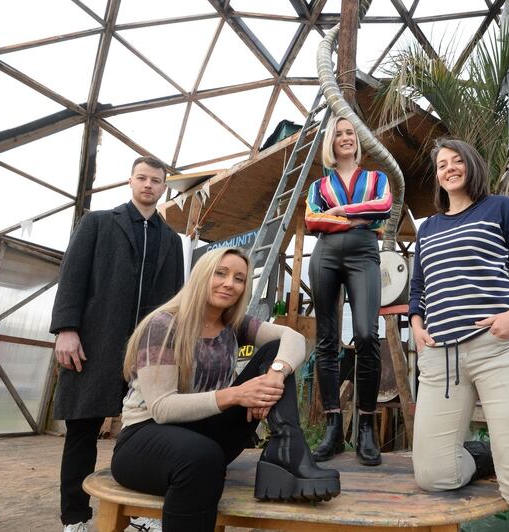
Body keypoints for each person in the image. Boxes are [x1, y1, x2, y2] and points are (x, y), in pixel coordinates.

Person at [110, 247, 340, 532]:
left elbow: (294, 338)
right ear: (201, 275)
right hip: (144, 439)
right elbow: (162, 408)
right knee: (201, 458)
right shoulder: (164, 325)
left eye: (239, 278)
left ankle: (287, 452)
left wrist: (275, 375)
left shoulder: (233, 324)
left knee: (273, 352)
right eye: (220, 273)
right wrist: (237, 395)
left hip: (206, 435)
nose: (230, 283)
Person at [408, 138, 509, 532]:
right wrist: (417, 326)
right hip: (441, 357)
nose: (449, 168)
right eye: (442, 164)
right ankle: (486, 453)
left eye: (457, 161)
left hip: (501, 347)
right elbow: (418, 287)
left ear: (472, 165)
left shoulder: (500, 207)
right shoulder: (428, 227)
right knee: (433, 474)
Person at [50, 156, 184, 532]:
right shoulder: (96, 223)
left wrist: (170, 348)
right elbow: (72, 276)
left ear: (163, 187)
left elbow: (175, 300)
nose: (148, 185)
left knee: (144, 433)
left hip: (147, 351)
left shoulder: (172, 242)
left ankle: (140, 512)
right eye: (142, 178)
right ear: (130, 181)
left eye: (156, 181)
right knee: (82, 431)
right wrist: (66, 328)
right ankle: (75, 517)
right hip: (95, 342)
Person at [304, 116, 392, 466]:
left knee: (367, 334)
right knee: (326, 339)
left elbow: (382, 208)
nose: (345, 138)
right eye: (339, 134)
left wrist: (339, 213)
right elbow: (312, 221)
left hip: (363, 253)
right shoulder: (318, 186)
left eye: (350, 133)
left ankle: (366, 429)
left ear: (358, 140)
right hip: (325, 254)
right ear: (331, 141)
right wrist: (358, 217)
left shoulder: (376, 178)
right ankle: (333, 428)